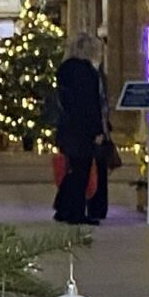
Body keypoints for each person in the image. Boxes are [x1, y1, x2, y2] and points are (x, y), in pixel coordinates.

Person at [52, 31, 116, 223]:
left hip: (67, 127)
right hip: (83, 129)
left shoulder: (65, 70)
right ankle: (75, 213)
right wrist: (98, 130)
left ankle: (64, 208)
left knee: (74, 169)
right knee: (81, 171)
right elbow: (90, 104)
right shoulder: (86, 73)